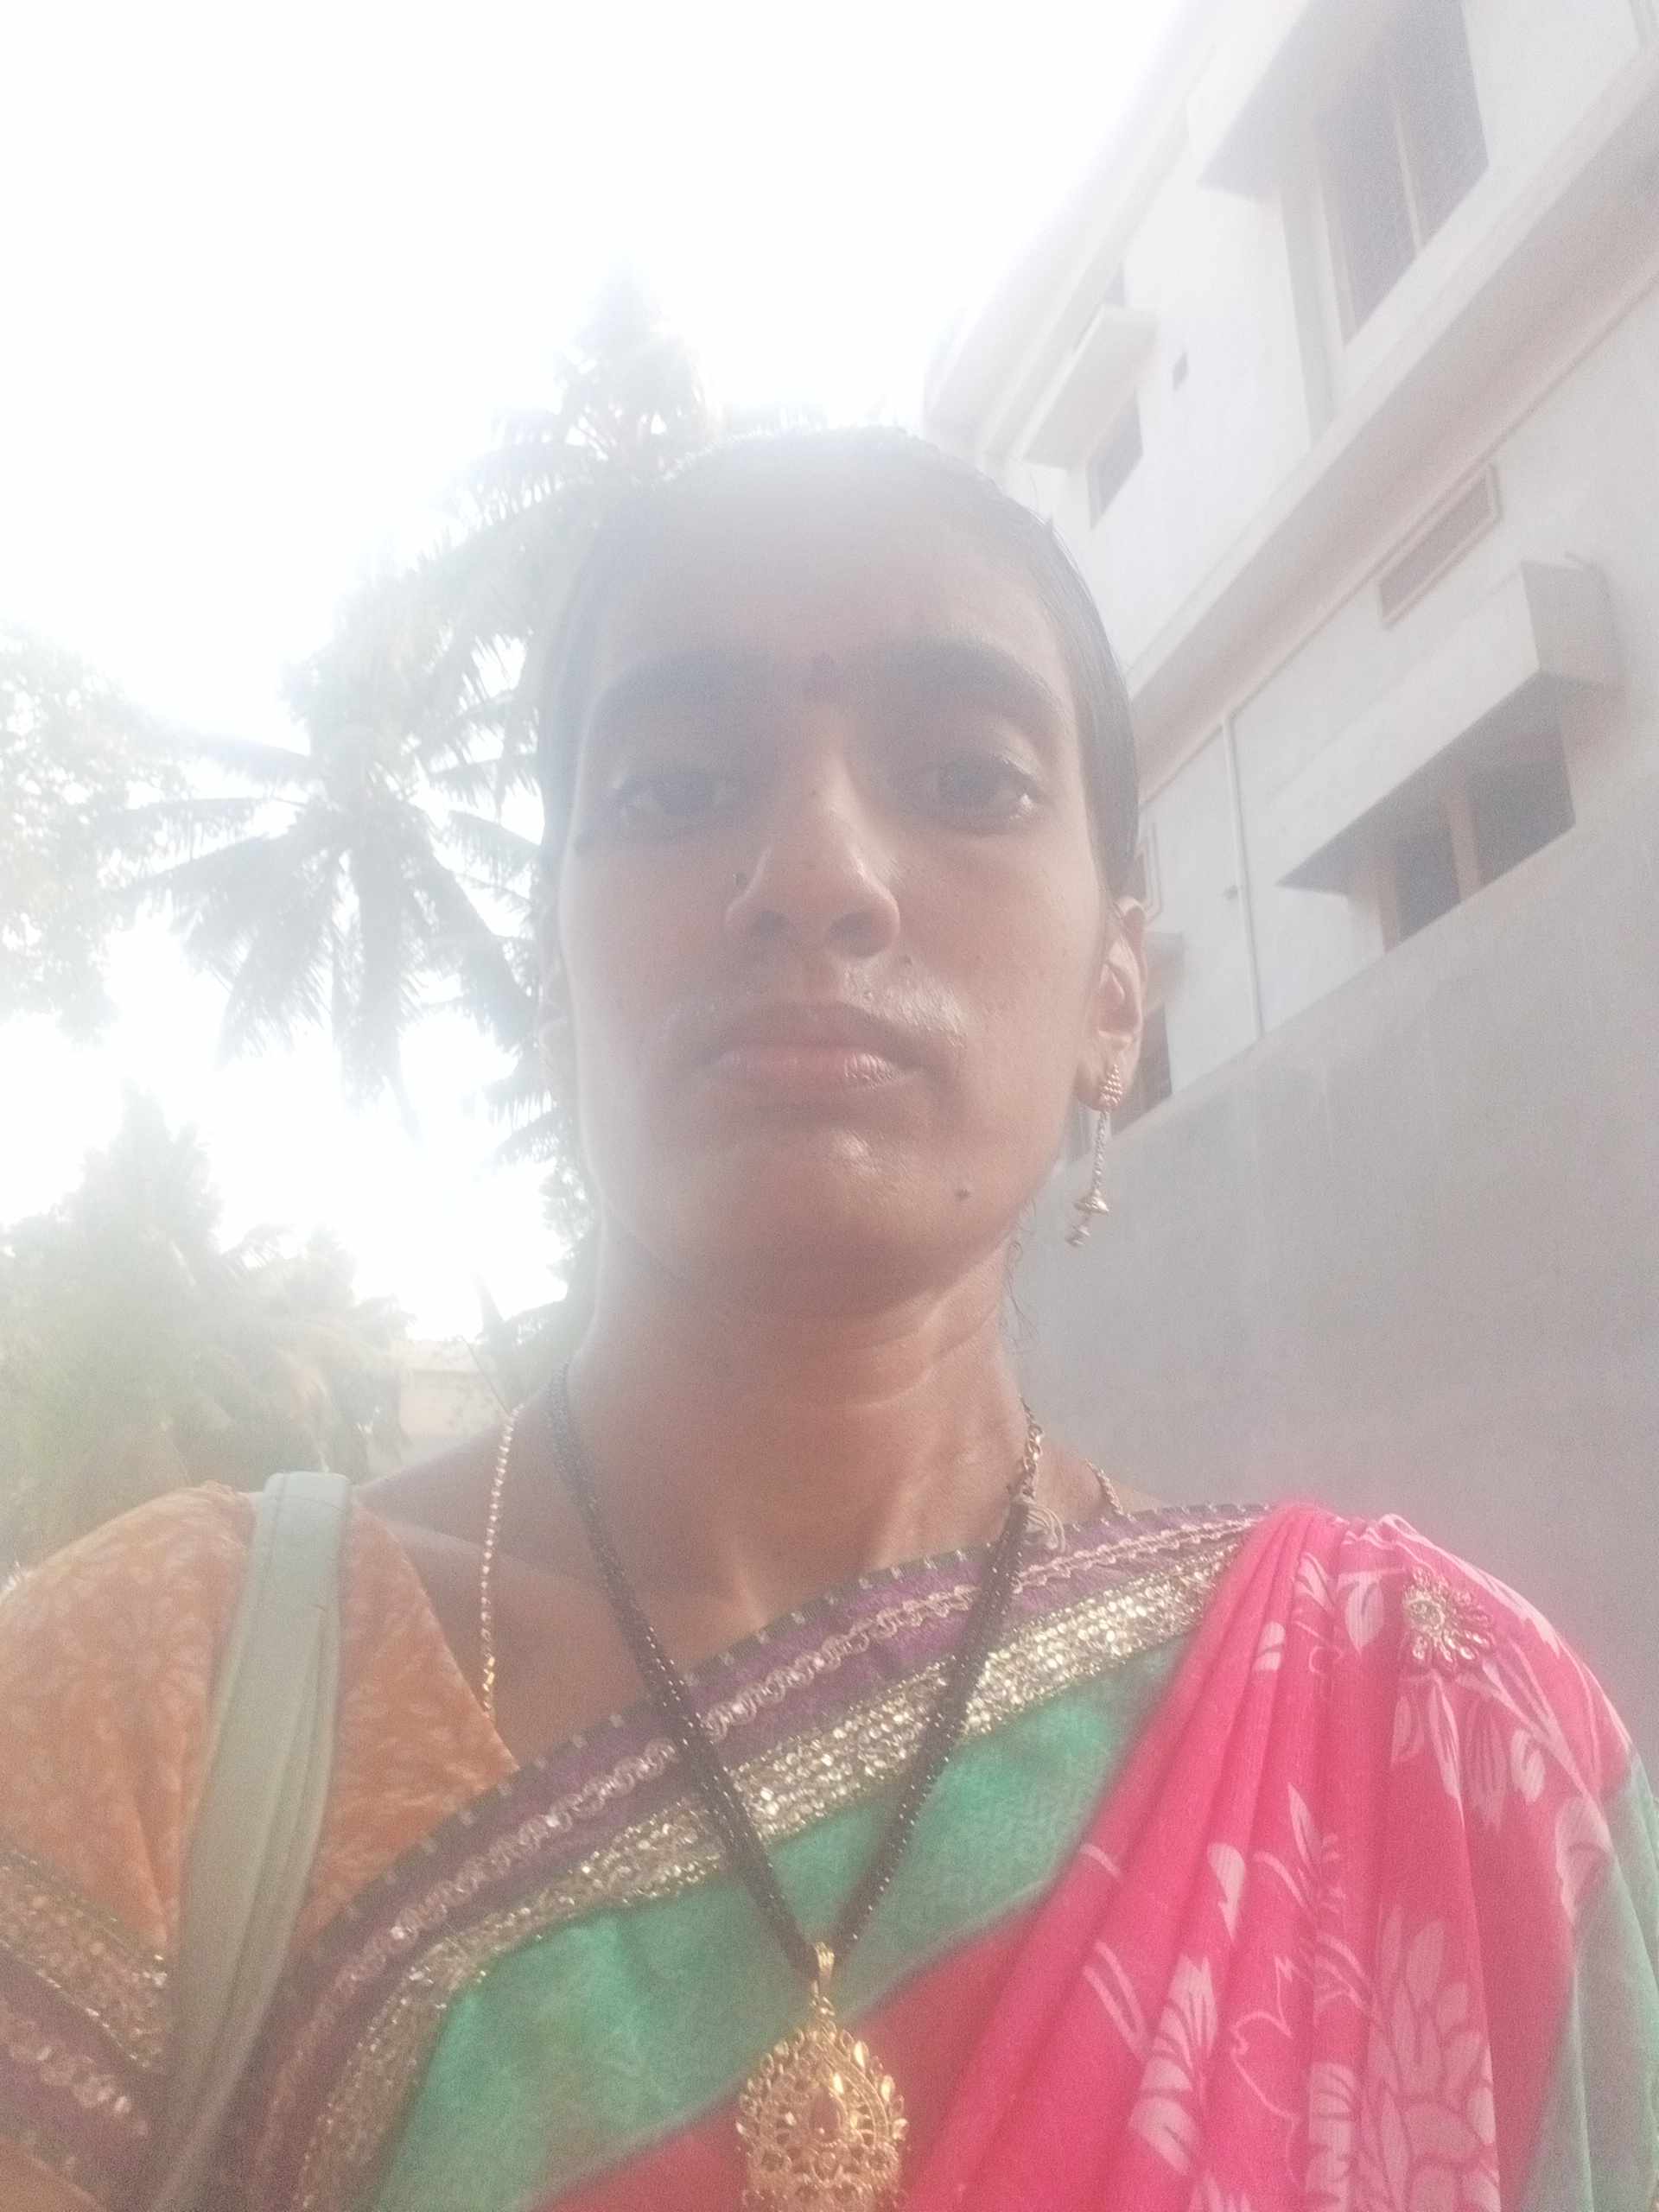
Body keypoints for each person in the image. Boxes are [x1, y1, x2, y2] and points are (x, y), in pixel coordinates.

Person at [1, 430, 1654, 2212]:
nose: (816, 868)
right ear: (556, 979)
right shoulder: (142, 1702)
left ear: (1116, 991)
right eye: (673, 788)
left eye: (966, 778)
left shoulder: (1441, 1739)